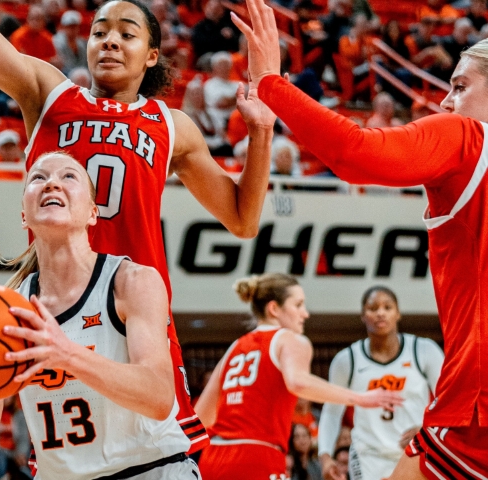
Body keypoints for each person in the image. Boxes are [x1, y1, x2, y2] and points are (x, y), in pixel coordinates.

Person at [0, 0, 276, 452]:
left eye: (127, 33)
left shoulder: (172, 126)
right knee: (64, 451)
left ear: (152, 54)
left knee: (159, 442)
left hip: (132, 304)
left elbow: (243, 219)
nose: (110, 39)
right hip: (58, 297)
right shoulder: (48, 92)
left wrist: (261, 133)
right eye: (99, 32)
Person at [235, 0, 488, 476]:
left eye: (459, 86)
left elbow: (356, 152)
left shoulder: (469, 137)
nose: (445, 101)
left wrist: (271, 82)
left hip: (476, 401)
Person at [0, 152, 200, 479]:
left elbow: (159, 397)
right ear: (24, 216)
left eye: (68, 177)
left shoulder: (130, 281)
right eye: (38, 177)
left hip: (150, 470)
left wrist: (67, 354)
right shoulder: (8, 309)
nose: (51, 182)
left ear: (93, 213)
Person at [193, 273, 403, 479]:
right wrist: (361, 398)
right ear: (274, 308)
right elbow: (298, 383)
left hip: (213, 458)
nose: (305, 313)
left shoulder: (235, 348)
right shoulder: (289, 339)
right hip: (257, 455)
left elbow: (201, 416)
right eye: (298, 305)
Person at [317, 286, 444, 480]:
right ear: (362, 315)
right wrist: (325, 456)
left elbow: (447, 400)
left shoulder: (424, 350)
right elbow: (332, 413)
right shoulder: (347, 359)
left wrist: (428, 430)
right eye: (373, 308)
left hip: (415, 449)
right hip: (368, 455)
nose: (380, 313)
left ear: (398, 313)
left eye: (387, 307)